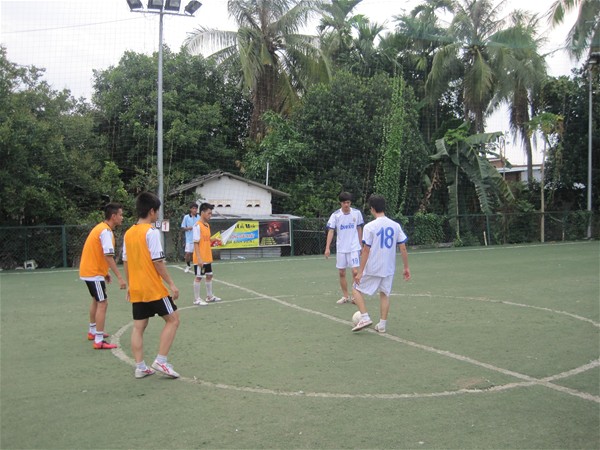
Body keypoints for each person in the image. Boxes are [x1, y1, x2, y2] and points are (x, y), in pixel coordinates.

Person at [123, 192, 180, 379]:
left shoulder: (128, 233)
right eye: (157, 211)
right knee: (173, 320)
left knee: (139, 326)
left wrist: (130, 285)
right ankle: (161, 361)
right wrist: (171, 284)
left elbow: (126, 261)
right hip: (153, 288)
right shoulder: (151, 232)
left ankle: (140, 367)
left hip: (137, 288)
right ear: (152, 211)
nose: (157, 215)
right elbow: (158, 262)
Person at [351, 194, 410, 332]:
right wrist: (406, 267)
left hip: (374, 266)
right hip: (388, 268)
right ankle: (382, 325)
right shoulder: (395, 225)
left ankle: (365, 317)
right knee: (384, 294)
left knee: (355, 288)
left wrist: (360, 272)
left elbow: (366, 250)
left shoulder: (369, 227)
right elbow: (403, 247)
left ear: (372, 209)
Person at [79, 202, 127, 349]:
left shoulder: (101, 228)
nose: (122, 217)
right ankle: (98, 340)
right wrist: (119, 277)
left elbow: (98, 254)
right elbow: (108, 256)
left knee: (96, 300)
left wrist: (105, 272)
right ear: (113, 216)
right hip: (93, 273)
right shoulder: (105, 231)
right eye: (120, 215)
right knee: (103, 303)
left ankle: (92, 331)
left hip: (90, 272)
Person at [324, 192, 364, 304]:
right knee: (341, 272)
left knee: (355, 272)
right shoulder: (335, 215)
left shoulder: (357, 213)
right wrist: (327, 248)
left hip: (354, 247)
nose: (346, 205)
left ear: (350, 203)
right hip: (341, 248)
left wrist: (360, 244)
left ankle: (356, 296)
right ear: (340, 203)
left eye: (348, 202)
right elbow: (331, 231)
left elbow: (359, 229)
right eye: (344, 203)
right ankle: (345, 296)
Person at [192, 202, 221, 305]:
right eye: (209, 213)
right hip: (200, 258)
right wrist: (199, 258)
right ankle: (197, 299)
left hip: (207, 257)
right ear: (202, 213)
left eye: (211, 213)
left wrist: (215, 240)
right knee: (199, 277)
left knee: (209, 275)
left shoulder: (207, 225)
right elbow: (196, 243)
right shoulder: (197, 226)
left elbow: (206, 240)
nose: (210, 215)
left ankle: (209, 296)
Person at [180, 202, 199, 273]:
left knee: (198, 254)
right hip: (189, 239)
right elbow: (182, 228)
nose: (195, 210)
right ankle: (188, 265)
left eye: (196, 208)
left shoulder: (199, 217)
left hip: (197, 239)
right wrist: (188, 228)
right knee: (188, 254)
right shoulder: (186, 217)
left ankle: (198, 266)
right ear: (190, 209)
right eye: (193, 208)